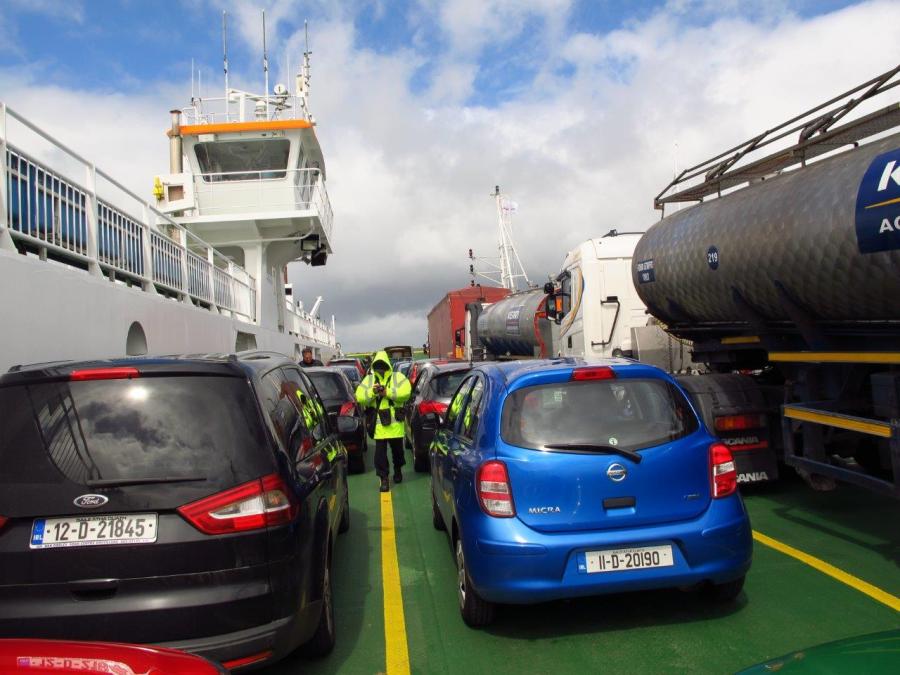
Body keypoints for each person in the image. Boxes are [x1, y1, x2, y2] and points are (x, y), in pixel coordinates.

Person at [355, 351, 411, 492]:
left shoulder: (397, 377)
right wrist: (373, 393)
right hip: (379, 426)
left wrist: (388, 392)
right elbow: (360, 396)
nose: (380, 367)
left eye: (382, 365)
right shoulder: (369, 380)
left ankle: (398, 470)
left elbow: (406, 393)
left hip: (396, 425)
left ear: (387, 365)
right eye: (378, 365)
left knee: (398, 452)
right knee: (380, 456)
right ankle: (384, 478)